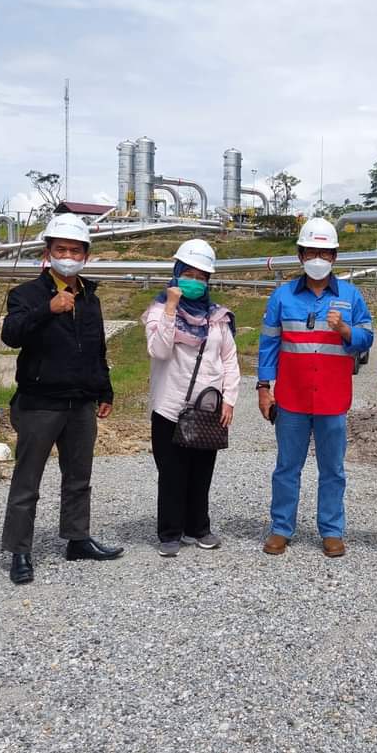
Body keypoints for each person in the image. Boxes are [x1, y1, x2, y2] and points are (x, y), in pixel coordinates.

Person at [0, 213, 123, 585]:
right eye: (61, 249)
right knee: (27, 480)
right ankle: (20, 550)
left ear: (85, 254)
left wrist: (104, 389)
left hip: (81, 402)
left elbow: (96, 348)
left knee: (78, 477)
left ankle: (77, 538)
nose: (67, 255)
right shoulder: (26, 295)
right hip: (40, 402)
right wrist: (46, 309)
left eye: (74, 249)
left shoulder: (90, 296)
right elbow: (11, 335)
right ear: (48, 252)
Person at [257, 218, 374, 557]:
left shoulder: (351, 297)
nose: (318, 258)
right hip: (292, 398)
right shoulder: (282, 297)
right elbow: (268, 346)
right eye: (312, 251)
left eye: (325, 252)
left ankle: (332, 531)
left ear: (335, 257)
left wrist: (347, 331)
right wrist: (264, 388)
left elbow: (368, 338)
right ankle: (281, 528)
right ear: (301, 255)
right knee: (286, 467)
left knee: (333, 470)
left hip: (333, 399)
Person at [141, 239, 240, 558]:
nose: (195, 282)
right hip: (170, 407)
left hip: (208, 408)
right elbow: (159, 349)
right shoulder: (158, 311)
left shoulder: (217, 317)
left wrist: (230, 399)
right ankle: (170, 532)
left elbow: (229, 360)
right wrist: (171, 307)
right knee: (171, 472)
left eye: (202, 277)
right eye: (189, 274)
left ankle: (198, 527)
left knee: (201, 471)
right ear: (176, 273)